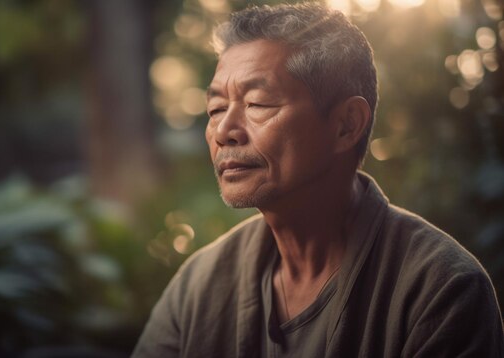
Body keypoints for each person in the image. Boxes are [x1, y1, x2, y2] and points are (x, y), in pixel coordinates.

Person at [132, 3, 504, 357]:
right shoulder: (199, 285)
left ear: (346, 125)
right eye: (215, 109)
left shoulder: (440, 290)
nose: (223, 131)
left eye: (257, 104)